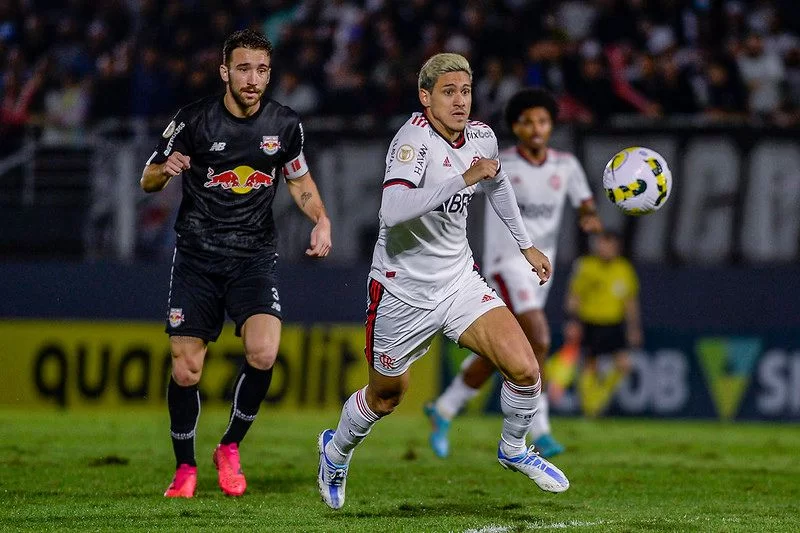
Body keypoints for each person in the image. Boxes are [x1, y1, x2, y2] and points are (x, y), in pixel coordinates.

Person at [317, 53, 569, 511]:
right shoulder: (412, 142)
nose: (459, 101)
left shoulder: (481, 136)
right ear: (426, 97)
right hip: (401, 290)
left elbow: (496, 183)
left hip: (458, 282)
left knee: (526, 368)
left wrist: (525, 244)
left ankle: (514, 450)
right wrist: (462, 178)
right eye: (449, 92)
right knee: (388, 396)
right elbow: (391, 210)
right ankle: (335, 453)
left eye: (466, 91)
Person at [140, 29, 331, 499]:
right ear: (225, 71)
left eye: (262, 70)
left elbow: (299, 180)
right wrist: (165, 171)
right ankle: (184, 467)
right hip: (198, 257)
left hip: (254, 256)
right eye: (243, 68)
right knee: (187, 371)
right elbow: (147, 177)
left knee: (264, 352)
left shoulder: (284, 125)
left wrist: (322, 219)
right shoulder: (193, 121)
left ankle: (229, 446)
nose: (253, 78)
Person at [424, 88, 603, 459]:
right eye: (526, 122)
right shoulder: (499, 163)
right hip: (507, 266)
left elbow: (584, 200)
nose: (535, 128)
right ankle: (539, 428)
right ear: (515, 128)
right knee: (538, 337)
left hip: (542, 270)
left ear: (551, 125)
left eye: (542, 121)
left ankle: (444, 409)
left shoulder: (565, 165)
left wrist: (588, 214)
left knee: (504, 351)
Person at [567, 231, 641, 417]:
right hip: (591, 322)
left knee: (624, 365)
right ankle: (589, 407)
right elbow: (574, 297)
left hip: (615, 323)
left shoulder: (624, 269)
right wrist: (573, 322)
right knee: (590, 365)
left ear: (616, 248)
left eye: (609, 245)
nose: (605, 249)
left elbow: (630, 302)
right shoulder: (586, 266)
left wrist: (634, 328)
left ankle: (597, 400)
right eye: (602, 244)